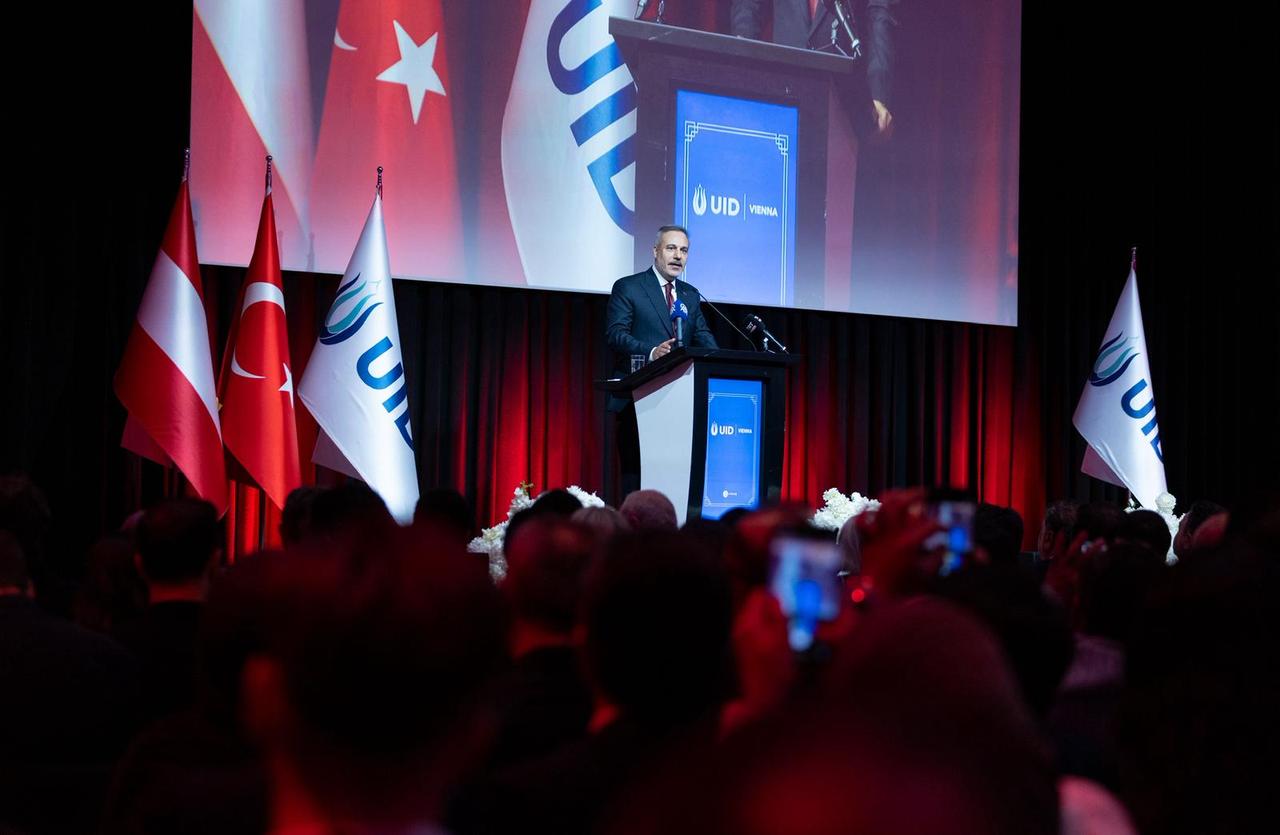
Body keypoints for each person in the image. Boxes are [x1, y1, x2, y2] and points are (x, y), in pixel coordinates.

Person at [605, 225, 717, 497]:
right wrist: (652, 351)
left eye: (684, 250)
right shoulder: (630, 287)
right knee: (637, 480)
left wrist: (722, 362)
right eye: (671, 248)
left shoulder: (690, 295)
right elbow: (616, 334)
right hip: (638, 400)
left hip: (680, 402)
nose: (678, 256)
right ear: (655, 251)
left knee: (675, 482)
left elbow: (703, 337)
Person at [730, 0, 898, 138]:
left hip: (843, 99)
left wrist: (878, 92)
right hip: (782, 89)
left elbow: (880, 13)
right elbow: (748, 5)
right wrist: (743, 65)